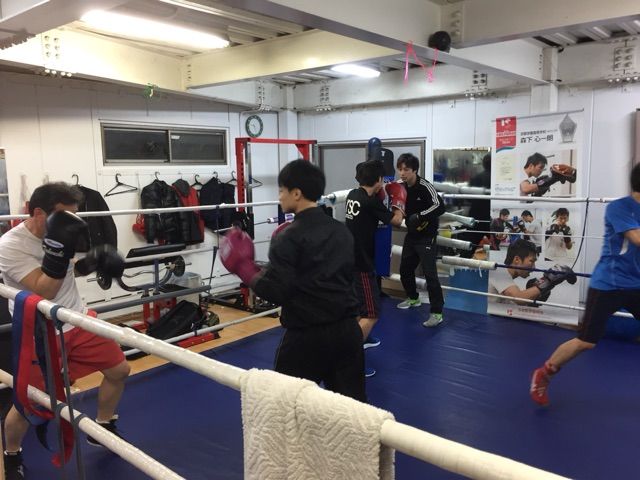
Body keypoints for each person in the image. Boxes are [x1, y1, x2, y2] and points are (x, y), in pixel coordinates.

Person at [0, 183, 130, 479]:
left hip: (76, 318)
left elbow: (70, 272)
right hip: (39, 331)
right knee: (29, 402)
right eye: (64, 215)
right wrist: (59, 252)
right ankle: (12, 454)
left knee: (119, 370)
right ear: (37, 213)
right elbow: (44, 291)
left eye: (73, 215)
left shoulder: (61, 231)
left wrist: (91, 262)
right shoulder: (10, 246)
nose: (71, 221)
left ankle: (102, 427)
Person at [219, 160, 366, 401]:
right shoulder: (341, 230)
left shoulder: (288, 236)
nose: (279, 196)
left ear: (296, 193)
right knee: (352, 406)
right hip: (347, 332)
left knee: (285, 404)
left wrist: (244, 269)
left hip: (307, 338)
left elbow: (278, 291)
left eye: (281, 190)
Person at [530, 164, 640, 407]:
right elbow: (637, 238)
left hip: (637, 284)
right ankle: (544, 373)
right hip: (609, 284)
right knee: (586, 341)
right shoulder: (619, 207)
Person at [345, 160, 405, 376]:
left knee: (357, 308)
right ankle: (349, 360)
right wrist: (399, 201)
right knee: (371, 313)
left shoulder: (353, 195)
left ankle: (362, 338)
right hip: (361, 264)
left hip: (349, 260)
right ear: (379, 180)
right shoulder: (371, 202)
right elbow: (396, 221)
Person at [395, 153, 445, 328]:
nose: (402, 173)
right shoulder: (400, 186)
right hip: (412, 235)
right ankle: (413, 298)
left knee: (430, 275)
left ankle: (437, 312)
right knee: (405, 270)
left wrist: (420, 216)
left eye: (406, 170)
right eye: (400, 169)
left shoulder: (425, 186)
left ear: (415, 170)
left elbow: (440, 206)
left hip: (427, 236)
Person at [488, 239, 576, 305]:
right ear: (517, 260)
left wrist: (533, 298)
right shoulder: (499, 273)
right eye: (531, 261)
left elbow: (513, 304)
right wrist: (547, 281)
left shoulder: (505, 278)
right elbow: (518, 298)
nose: (534, 267)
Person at [461, 153, 491, 258]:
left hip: (477, 217)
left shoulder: (477, 178)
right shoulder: (498, 180)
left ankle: (462, 265)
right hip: (491, 217)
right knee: (498, 245)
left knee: (468, 248)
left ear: (483, 164)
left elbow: (468, 198)